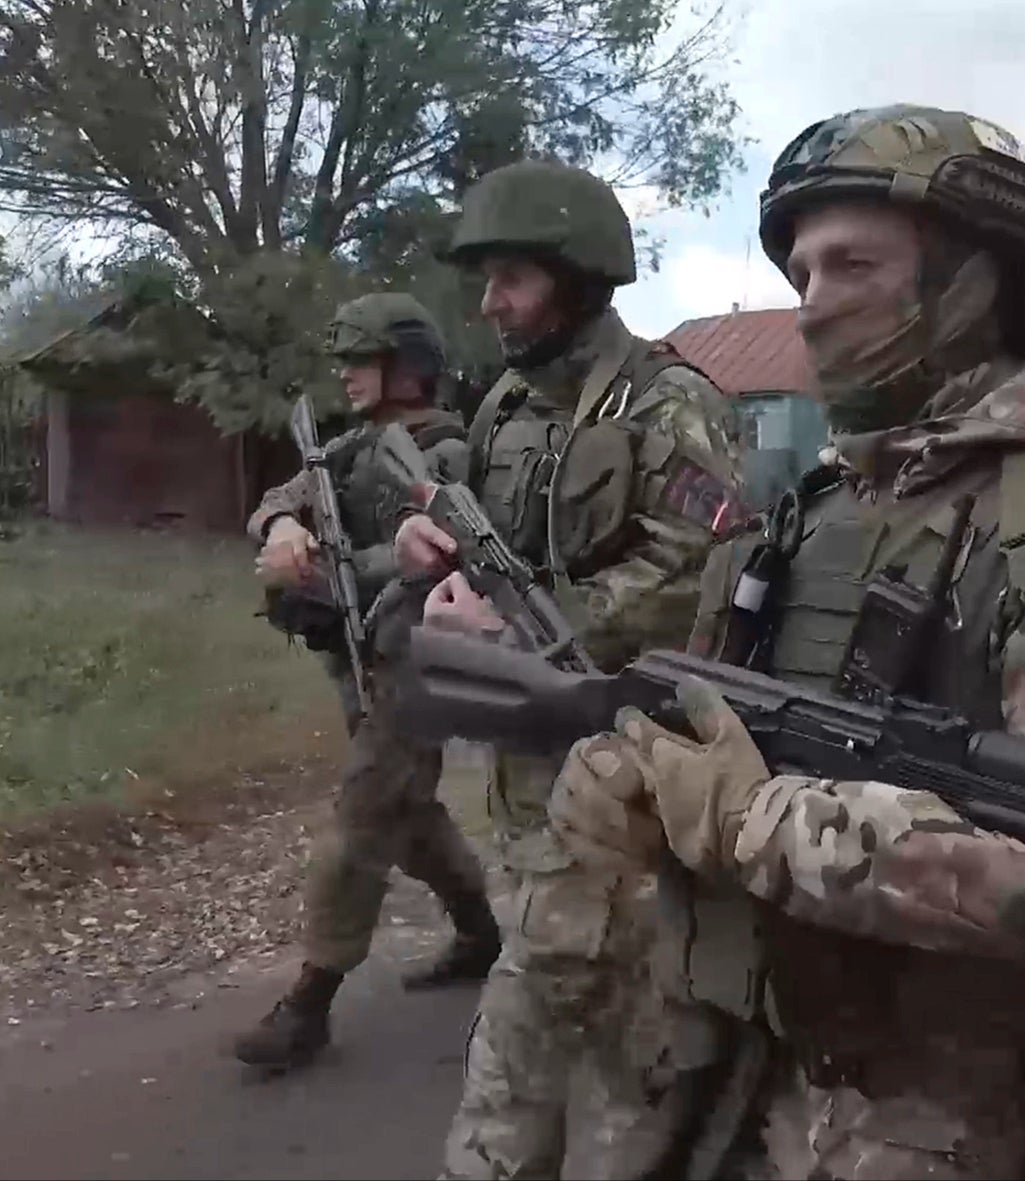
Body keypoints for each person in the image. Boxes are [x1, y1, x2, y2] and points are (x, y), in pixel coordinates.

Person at [546, 105, 1025, 1179]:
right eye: (801, 271)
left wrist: (759, 821)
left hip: (981, 1120)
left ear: (973, 284)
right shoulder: (815, 510)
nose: (809, 306)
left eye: (849, 265)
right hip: (774, 1074)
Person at [388, 158, 745, 1178]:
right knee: (577, 1025)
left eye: (513, 278)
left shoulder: (667, 403)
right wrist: (433, 549)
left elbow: (701, 564)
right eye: (486, 279)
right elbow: (482, 530)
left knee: (592, 1060)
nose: (490, 302)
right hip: (522, 777)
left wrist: (547, 630)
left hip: (628, 782)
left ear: (581, 277)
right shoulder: (506, 404)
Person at [233, 292, 500, 1073]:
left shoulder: (443, 452)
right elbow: (288, 496)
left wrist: (339, 566)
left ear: (407, 364)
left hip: (417, 663)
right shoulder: (349, 446)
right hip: (358, 658)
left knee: (362, 821)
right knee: (407, 813)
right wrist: (283, 529)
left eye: (362, 358)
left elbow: (448, 552)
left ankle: (309, 1005)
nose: (346, 373)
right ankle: (483, 932)